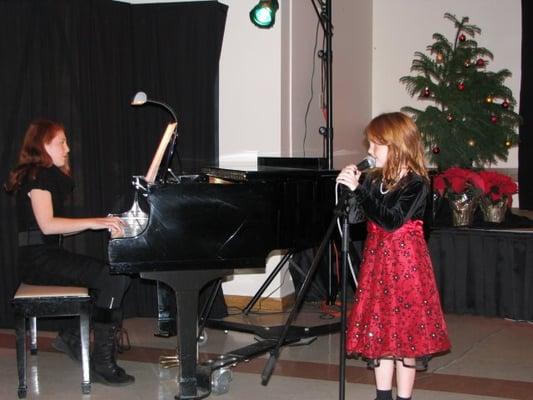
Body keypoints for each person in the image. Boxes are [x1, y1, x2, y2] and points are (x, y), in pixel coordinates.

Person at [5, 119, 134, 386]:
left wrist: (101, 223)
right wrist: (96, 222)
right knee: (112, 276)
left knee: (111, 274)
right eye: (60, 142)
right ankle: (101, 361)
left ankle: (72, 335)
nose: (67, 148)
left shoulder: (44, 177)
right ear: (42, 146)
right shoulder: (37, 177)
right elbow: (48, 226)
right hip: (39, 261)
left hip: (44, 257)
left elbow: (56, 230)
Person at [336, 112, 450, 400]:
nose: (370, 151)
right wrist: (349, 193)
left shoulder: (417, 184)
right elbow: (359, 217)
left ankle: (404, 397)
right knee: (381, 330)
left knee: (406, 335)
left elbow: (392, 220)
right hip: (378, 264)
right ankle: (382, 395)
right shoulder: (375, 181)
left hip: (407, 265)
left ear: (396, 145)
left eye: (376, 145)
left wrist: (360, 191)